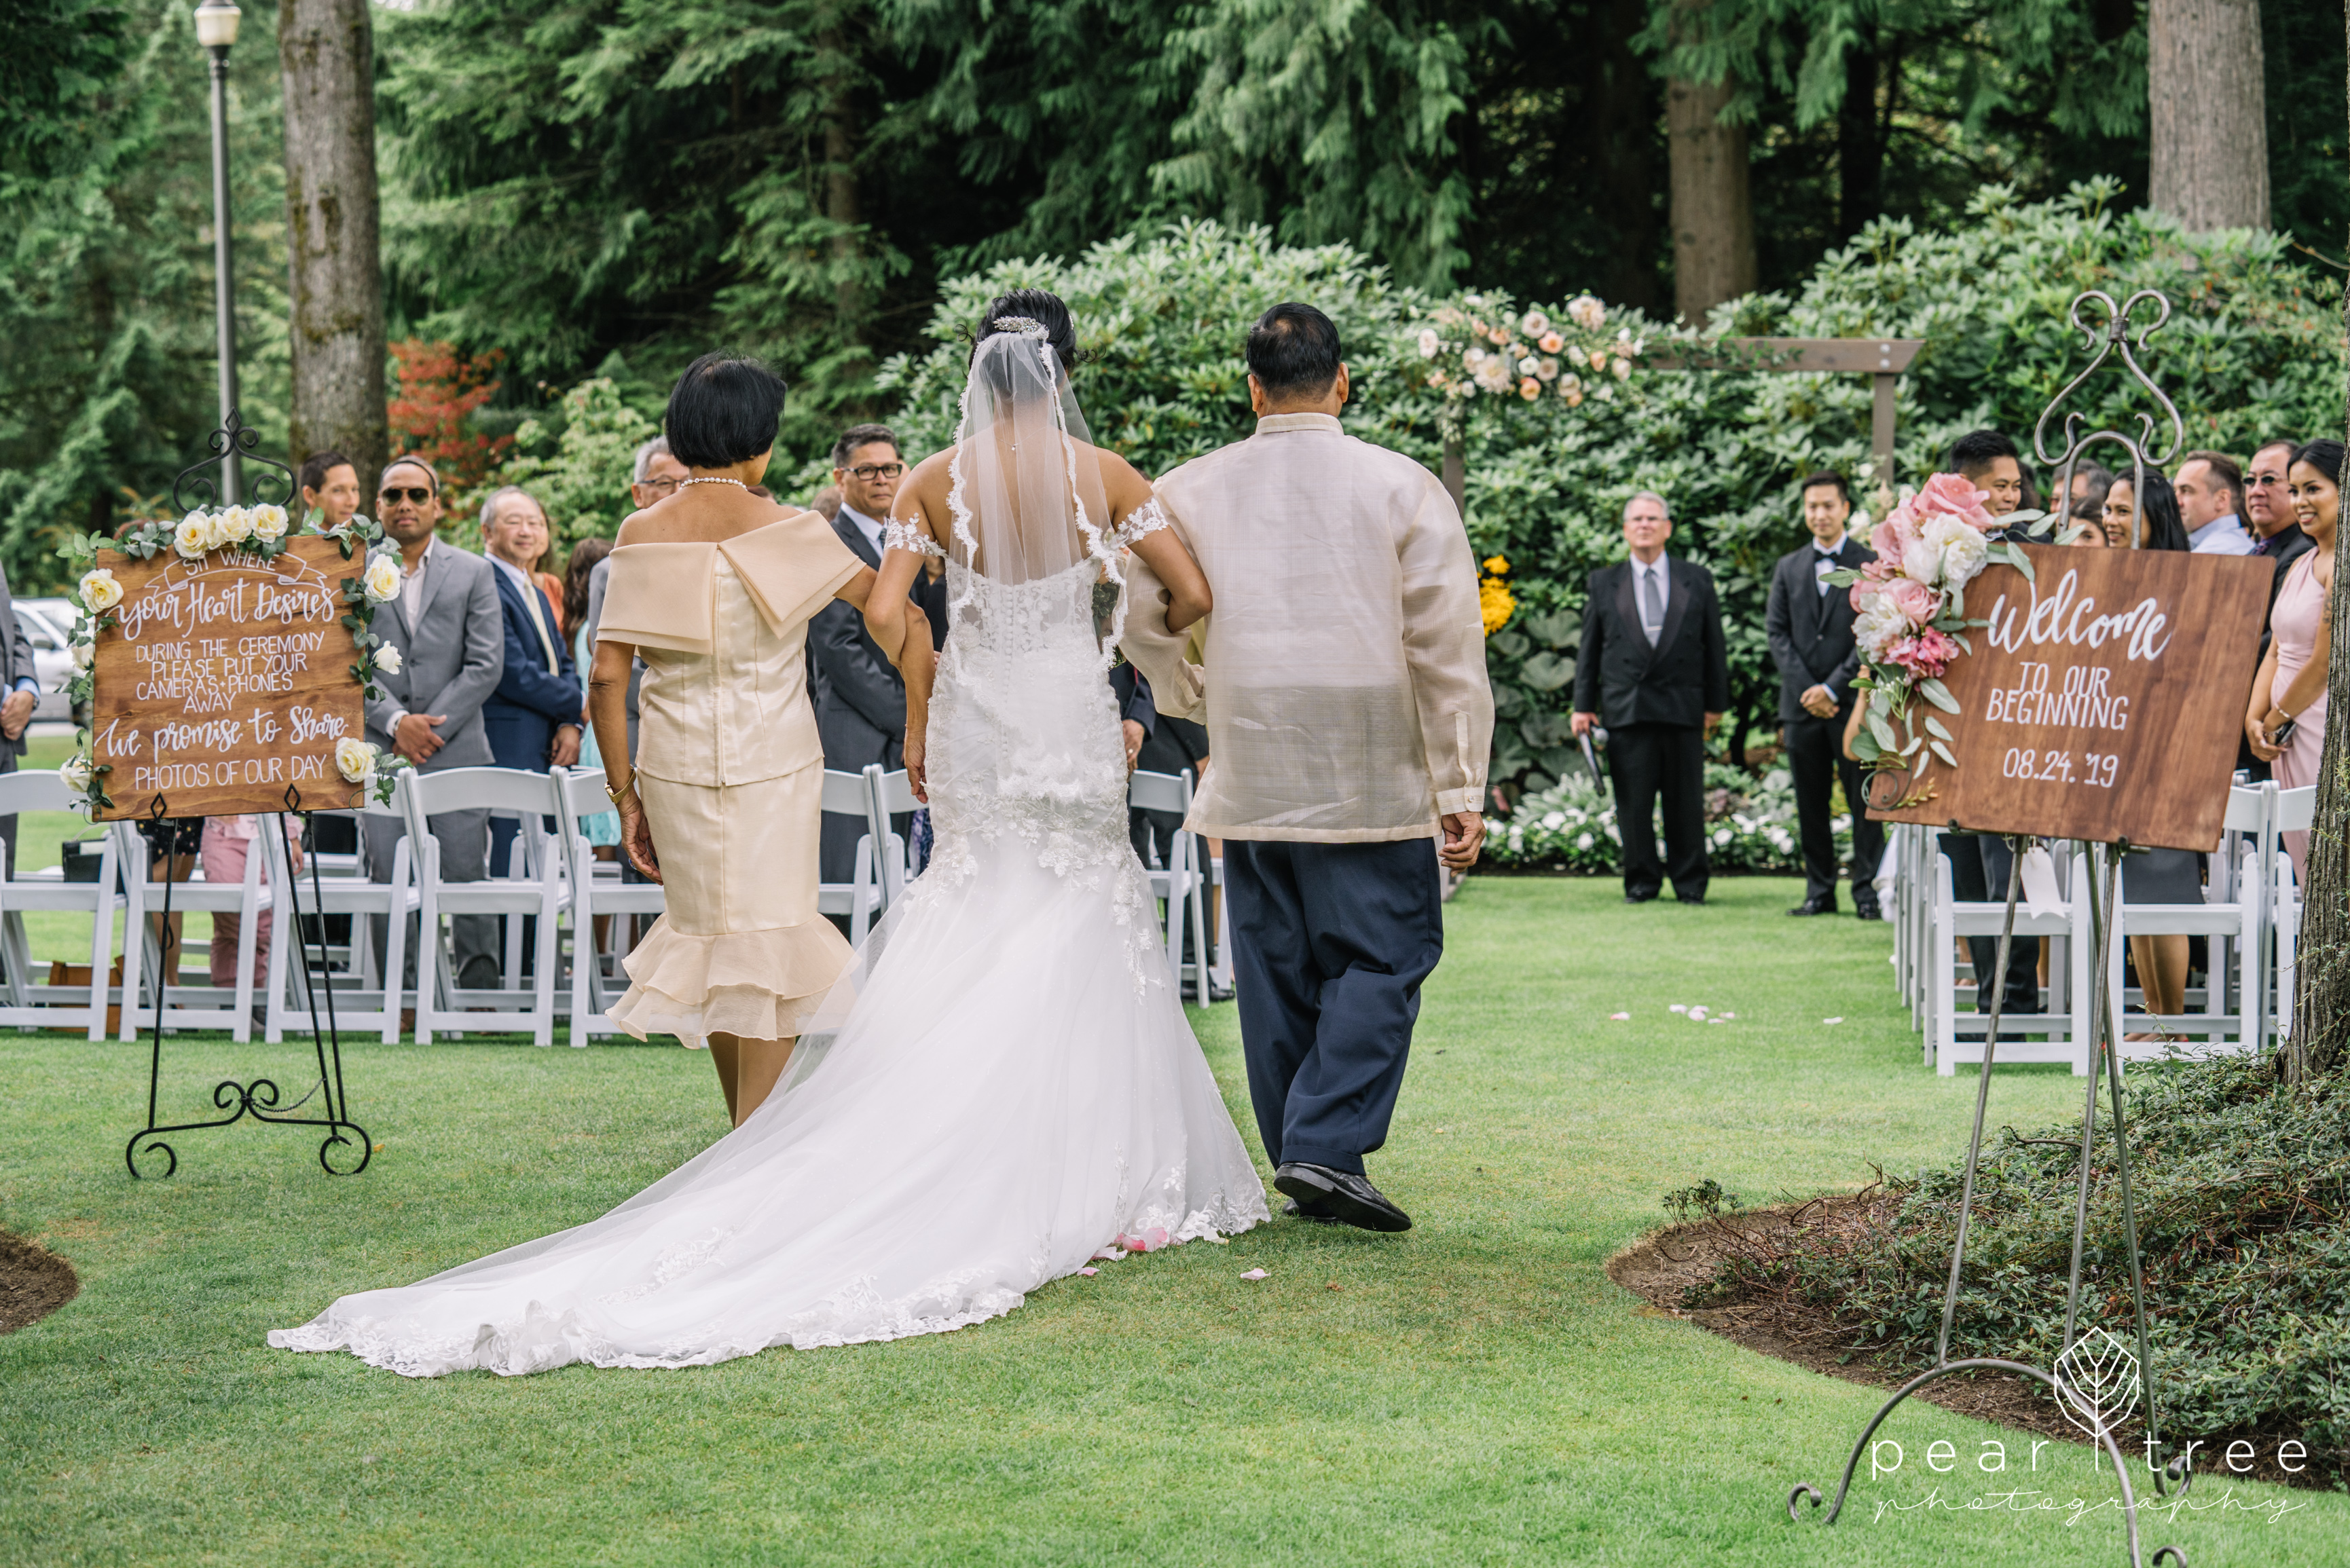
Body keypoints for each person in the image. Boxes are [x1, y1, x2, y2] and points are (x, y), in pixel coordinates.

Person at [273, 318, 1266, 1376]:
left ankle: (752, 1140)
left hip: (682, 758)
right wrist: (957, 684)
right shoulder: (812, 525)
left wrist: (626, 787)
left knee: (727, 942)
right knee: (790, 942)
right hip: (821, 750)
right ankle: (770, 1146)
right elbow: (903, 616)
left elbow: (616, 670)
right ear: (760, 441)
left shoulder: (658, 528)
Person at [1123, 299, 1488, 1235]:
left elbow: (1140, 616)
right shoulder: (1403, 485)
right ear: (1342, 382)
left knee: (1275, 965)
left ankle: (1305, 1149)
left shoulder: (1186, 488)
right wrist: (1459, 780)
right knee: (1388, 951)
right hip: (1371, 757)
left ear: (1252, 389)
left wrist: (1196, 693)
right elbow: (1445, 643)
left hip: (1251, 752)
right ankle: (1321, 1146)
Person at [363, 455, 506, 992]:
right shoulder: (352, 571)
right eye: (394, 494)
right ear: (378, 505)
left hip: (458, 750)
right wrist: (396, 722)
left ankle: (480, 996)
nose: (406, 504)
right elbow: (343, 664)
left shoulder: (474, 571)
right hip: (381, 753)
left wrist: (428, 729)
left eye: (417, 494)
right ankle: (399, 998)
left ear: (437, 505)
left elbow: (486, 664)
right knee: (388, 878)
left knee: (467, 875)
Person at [1571, 492, 1729, 905]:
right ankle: (1641, 882)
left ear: (1667, 528)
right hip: (1627, 707)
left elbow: (1714, 644)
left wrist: (1716, 704)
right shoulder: (1603, 582)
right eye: (1637, 519)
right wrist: (1582, 706)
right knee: (1634, 804)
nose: (1645, 525)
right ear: (1626, 530)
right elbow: (1590, 649)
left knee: (1686, 803)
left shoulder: (1697, 578)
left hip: (1683, 706)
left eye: (1653, 518)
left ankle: (1690, 884)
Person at [1764, 470, 1881, 920]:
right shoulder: (1788, 566)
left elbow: (1873, 631)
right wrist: (1810, 690)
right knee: (1809, 804)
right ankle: (1819, 891)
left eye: (1828, 505)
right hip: (1801, 707)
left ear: (1845, 509)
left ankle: (1867, 893)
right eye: (1812, 506)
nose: (1819, 514)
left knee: (1863, 802)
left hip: (1852, 704)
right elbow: (1777, 634)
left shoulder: (1870, 563)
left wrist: (1833, 687)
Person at [809, 424, 920, 889]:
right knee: (848, 876)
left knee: (896, 875)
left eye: (890, 469)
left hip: (905, 736)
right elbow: (837, 648)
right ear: (841, 478)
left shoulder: (906, 542)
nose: (881, 479)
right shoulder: (825, 544)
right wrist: (906, 714)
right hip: (851, 730)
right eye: (867, 470)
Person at [2114, 479, 2203, 1035]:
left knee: (2164, 888)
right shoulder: (2120, 576)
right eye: (2107, 509)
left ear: (2154, 515)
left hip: (2167, 750)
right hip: (2120, 749)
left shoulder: (2184, 582)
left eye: (2122, 510)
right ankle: (2153, 1014)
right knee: (2136, 888)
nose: (2110, 519)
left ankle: (2174, 1025)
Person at [477, 486, 585, 884]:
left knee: (545, 871)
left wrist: (571, 721)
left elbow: (563, 661)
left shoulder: (535, 591)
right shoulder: (482, 582)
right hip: (508, 742)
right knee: (509, 867)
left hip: (549, 745)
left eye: (535, 523)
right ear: (487, 531)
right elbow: (512, 672)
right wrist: (581, 702)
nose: (527, 531)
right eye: (515, 522)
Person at [2247, 438, 2339, 884]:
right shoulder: (2302, 562)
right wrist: (2253, 719)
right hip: (2283, 732)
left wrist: (2274, 718)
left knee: (2330, 855)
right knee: (2304, 859)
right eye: (2296, 490)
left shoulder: (2341, 566)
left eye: (2313, 489)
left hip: (2320, 725)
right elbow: (2275, 650)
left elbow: (2323, 663)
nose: (2301, 502)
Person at [583, 436, 688, 769]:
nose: (677, 491)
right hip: (637, 715)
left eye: (687, 482)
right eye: (664, 483)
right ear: (638, 494)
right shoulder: (609, 570)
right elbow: (608, 661)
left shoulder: (711, 559)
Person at [564, 538, 621, 854]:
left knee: (602, 832)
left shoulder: (580, 626)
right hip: (605, 732)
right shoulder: (602, 629)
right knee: (611, 825)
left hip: (591, 736)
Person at [2174, 450, 2254, 555]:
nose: (2176, 502)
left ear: (2222, 499)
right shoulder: (2235, 545)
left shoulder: (2212, 554)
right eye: (2175, 491)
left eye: (2186, 491)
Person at [2101, 471, 2192, 553]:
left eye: (2123, 511)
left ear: (2158, 517)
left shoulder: (2184, 566)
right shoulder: (2101, 564)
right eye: (2108, 510)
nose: (2110, 521)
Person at [1949, 430, 2025, 517]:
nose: (2011, 498)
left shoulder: (2029, 527)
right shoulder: (1939, 524)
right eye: (2001, 486)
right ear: (1963, 486)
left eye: (2016, 486)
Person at [297, 450, 362, 532]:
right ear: (310, 495)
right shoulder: (300, 541)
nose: (353, 502)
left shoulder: (357, 539)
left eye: (354, 489)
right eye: (338, 490)